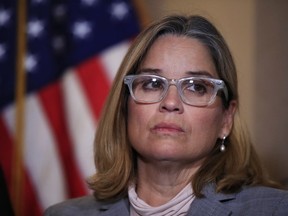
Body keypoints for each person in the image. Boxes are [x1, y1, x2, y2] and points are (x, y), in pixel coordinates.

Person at [44, 14, 288, 216]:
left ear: (226, 120)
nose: (171, 102)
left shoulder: (275, 209)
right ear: (125, 106)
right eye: (152, 83)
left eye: (195, 86)